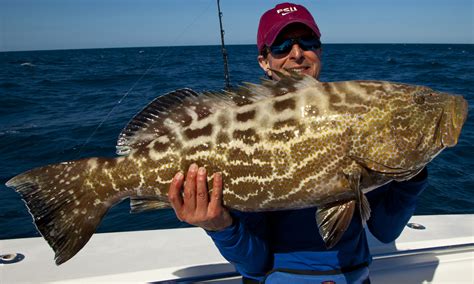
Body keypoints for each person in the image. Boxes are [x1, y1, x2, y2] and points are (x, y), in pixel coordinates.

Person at [167, 3, 428, 283]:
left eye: (308, 42)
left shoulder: (354, 120)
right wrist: (217, 225)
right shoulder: (238, 134)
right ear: (264, 61)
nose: (297, 54)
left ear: (320, 51)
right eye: (281, 46)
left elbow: (385, 231)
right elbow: (254, 263)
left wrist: (413, 170)